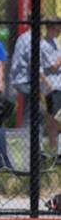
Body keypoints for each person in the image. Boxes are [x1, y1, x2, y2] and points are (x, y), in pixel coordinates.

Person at [40, 19, 61, 152]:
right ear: (50, 29)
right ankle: (53, 147)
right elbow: (53, 67)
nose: (59, 32)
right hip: (52, 86)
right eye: (57, 29)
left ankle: (56, 146)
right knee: (53, 117)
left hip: (59, 84)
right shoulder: (44, 45)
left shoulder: (56, 43)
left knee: (57, 117)